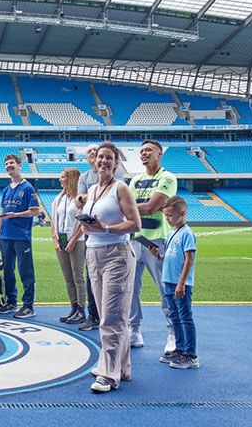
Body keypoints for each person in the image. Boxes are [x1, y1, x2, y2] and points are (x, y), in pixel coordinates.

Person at [78, 142, 141, 393]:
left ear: (115, 163)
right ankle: (121, 367)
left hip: (117, 254)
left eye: (108, 158)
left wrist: (105, 229)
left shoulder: (121, 188)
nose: (103, 161)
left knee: (112, 317)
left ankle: (108, 374)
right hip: (93, 252)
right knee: (110, 315)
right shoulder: (92, 189)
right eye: (100, 157)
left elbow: (135, 224)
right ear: (94, 161)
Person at [128, 139, 177, 352]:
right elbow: (133, 208)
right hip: (134, 239)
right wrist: (131, 208)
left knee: (165, 289)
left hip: (156, 241)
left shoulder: (167, 178)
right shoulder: (135, 180)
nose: (144, 153)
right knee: (130, 290)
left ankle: (173, 334)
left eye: (149, 150)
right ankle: (134, 330)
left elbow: (152, 206)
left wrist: (129, 208)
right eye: (142, 151)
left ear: (159, 154)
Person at [77, 143, 124, 331]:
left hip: (114, 243)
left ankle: (113, 321)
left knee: (113, 289)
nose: (95, 156)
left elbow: (132, 220)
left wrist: (105, 228)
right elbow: (79, 200)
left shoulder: (117, 182)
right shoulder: (85, 178)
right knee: (92, 279)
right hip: (93, 240)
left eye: (97, 153)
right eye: (91, 153)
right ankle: (94, 315)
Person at [150, 195, 199, 369]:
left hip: (179, 283)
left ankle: (190, 354)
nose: (168, 219)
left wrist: (181, 283)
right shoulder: (172, 233)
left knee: (185, 317)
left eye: (170, 216)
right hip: (168, 280)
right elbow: (170, 257)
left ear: (182, 212)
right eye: (166, 216)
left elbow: (188, 260)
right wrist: (159, 255)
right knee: (175, 316)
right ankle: (179, 349)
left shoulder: (187, 233)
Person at [0, 153, 39, 318]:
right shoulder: (6, 189)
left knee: (25, 270)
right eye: (6, 164)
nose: (8, 166)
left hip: (21, 236)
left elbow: (35, 211)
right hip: (6, 236)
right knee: (8, 271)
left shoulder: (28, 188)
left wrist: (16, 215)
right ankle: (11, 301)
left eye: (11, 163)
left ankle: (28, 305)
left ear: (19, 165)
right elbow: (1, 213)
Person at [51, 167, 86, 324]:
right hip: (61, 240)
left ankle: (81, 309)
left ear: (71, 179)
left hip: (77, 241)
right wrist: (55, 238)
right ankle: (73, 308)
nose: (60, 179)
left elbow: (83, 222)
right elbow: (54, 220)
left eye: (63, 177)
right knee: (68, 277)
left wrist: (73, 240)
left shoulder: (79, 199)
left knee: (78, 276)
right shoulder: (58, 198)